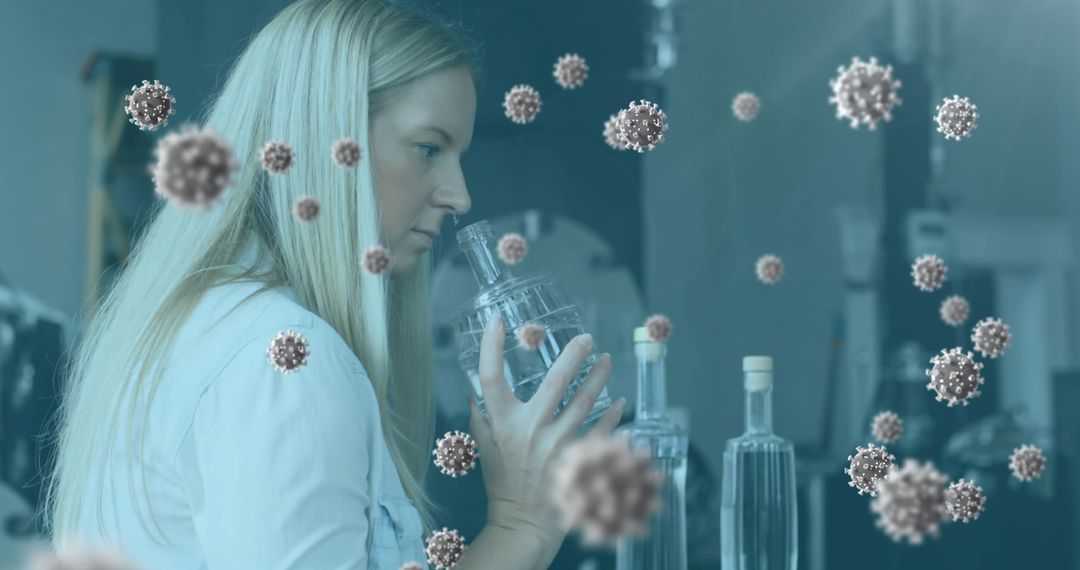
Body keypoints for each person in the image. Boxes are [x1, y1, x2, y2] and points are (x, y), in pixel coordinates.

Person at [40, 0, 624, 568]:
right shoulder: (285, 362)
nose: (460, 196)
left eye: (458, 155)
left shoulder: (215, 324)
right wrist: (523, 524)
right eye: (428, 148)